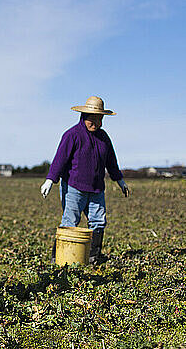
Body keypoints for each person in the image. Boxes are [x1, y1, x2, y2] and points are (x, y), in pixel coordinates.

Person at [40, 96, 129, 264]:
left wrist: (120, 181)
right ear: (84, 116)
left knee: (98, 221)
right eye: (92, 118)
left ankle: (92, 256)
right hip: (74, 187)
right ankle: (58, 258)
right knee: (70, 222)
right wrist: (50, 180)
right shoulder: (72, 135)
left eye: (99, 118)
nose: (96, 122)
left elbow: (111, 162)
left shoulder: (103, 138)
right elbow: (60, 159)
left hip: (96, 189)